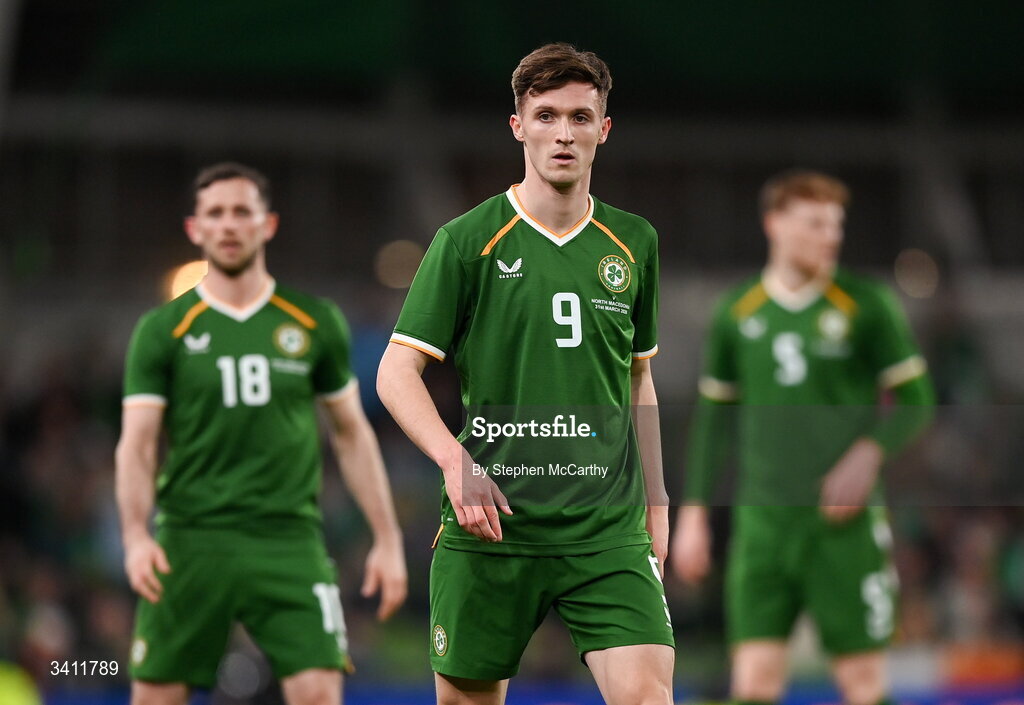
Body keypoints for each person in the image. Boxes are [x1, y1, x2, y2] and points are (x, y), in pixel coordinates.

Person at [377, 43, 674, 705]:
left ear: (604, 128)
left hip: (606, 529)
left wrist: (656, 497)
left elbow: (638, 378)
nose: (562, 132)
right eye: (545, 115)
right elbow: (396, 371)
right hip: (493, 528)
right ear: (518, 127)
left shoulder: (635, 243)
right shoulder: (466, 241)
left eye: (579, 115)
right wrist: (455, 463)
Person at [115, 163, 407, 705]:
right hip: (190, 536)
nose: (228, 225)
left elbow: (350, 434)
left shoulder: (313, 320)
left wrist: (386, 538)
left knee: (320, 692)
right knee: (155, 696)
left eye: (241, 212)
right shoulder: (163, 330)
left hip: (288, 538)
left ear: (267, 224)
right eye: (215, 214)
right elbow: (136, 444)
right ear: (194, 229)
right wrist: (135, 536)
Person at [671, 170, 935, 705]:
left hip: (843, 529)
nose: (830, 236)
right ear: (775, 224)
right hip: (763, 525)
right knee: (754, 682)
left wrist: (869, 451)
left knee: (862, 682)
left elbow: (917, 400)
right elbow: (714, 420)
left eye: (836, 225)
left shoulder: (864, 304)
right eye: (815, 223)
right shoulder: (737, 312)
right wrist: (694, 511)